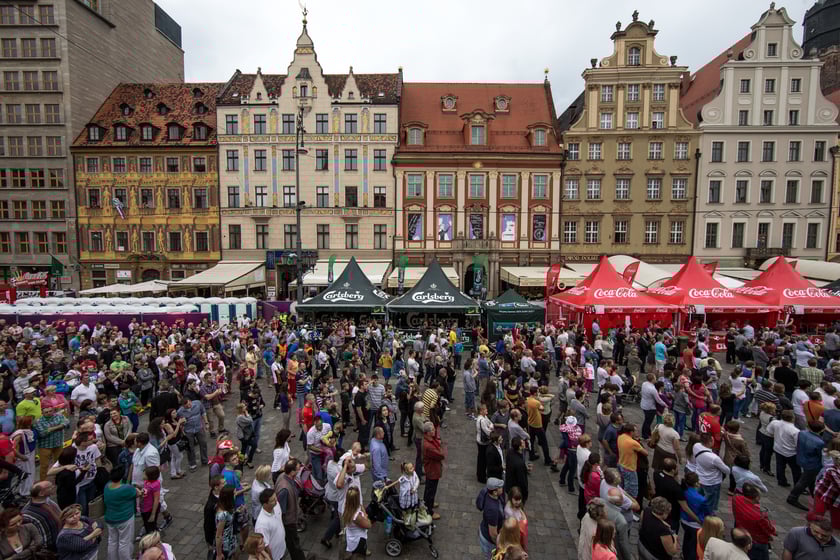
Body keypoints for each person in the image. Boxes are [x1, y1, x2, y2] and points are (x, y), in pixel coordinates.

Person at [787, 420, 826, 510]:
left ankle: (814, 495)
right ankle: (793, 497)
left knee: (810, 480)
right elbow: (820, 456)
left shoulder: (802, 433)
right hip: (812, 464)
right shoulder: (820, 442)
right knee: (803, 481)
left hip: (802, 458)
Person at [103, 466, 139, 560]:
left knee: (112, 541)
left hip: (110, 518)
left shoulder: (107, 486)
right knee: (124, 542)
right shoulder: (126, 488)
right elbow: (137, 493)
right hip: (125, 518)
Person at [732, 483, 776, 560]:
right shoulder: (760, 516)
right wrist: (772, 534)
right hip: (756, 541)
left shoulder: (736, 498)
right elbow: (769, 530)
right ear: (756, 498)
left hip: (741, 532)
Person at [274, 458, 307, 560]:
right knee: (294, 545)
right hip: (289, 522)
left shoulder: (283, 476)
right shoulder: (284, 489)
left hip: (291, 517)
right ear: (292, 472)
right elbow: (281, 511)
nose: (299, 471)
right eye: (297, 469)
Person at [692, 433, 729, 513]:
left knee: (699, 496)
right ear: (709, 442)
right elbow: (726, 470)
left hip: (700, 477)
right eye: (712, 440)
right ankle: (707, 515)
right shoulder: (714, 458)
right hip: (712, 482)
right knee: (710, 502)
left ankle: (697, 510)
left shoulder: (696, 446)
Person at [22, 481, 61, 554]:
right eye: (49, 487)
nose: (53, 487)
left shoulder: (49, 502)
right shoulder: (27, 514)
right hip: (48, 549)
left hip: (59, 542)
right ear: (41, 493)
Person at [33, 406, 68, 481]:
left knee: (59, 463)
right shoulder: (38, 421)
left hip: (58, 444)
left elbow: (66, 422)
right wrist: (60, 426)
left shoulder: (59, 416)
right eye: (46, 412)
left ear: (53, 411)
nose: (49, 413)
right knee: (44, 466)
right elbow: (43, 433)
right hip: (45, 446)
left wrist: (51, 429)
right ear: (42, 413)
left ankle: (59, 480)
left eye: (50, 411)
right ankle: (42, 482)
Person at [766, 409, 800, 487]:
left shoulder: (775, 423)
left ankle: (781, 481)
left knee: (780, 466)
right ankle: (797, 485)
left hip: (778, 448)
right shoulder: (795, 431)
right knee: (796, 470)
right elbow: (797, 444)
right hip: (791, 452)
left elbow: (769, 432)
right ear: (792, 418)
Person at [809, 450, 840, 531]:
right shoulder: (832, 470)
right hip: (822, 494)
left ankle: (832, 538)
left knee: (837, 523)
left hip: (836, 499)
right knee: (818, 516)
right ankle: (810, 526)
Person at [477, 478, 506, 560]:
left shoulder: (489, 492)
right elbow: (493, 534)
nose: (502, 488)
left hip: (484, 528)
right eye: (500, 487)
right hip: (489, 541)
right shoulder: (492, 510)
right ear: (495, 492)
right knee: (491, 557)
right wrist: (499, 546)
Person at [177, 397, 209, 471]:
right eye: (186, 406)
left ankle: (205, 460)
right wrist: (182, 430)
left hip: (199, 428)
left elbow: (203, 412)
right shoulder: (180, 412)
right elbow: (179, 423)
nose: (189, 406)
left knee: (203, 443)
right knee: (190, 448)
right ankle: (192, 464)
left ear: (190, 401)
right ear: (182, 406)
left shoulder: (198, 403)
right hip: (188, 431)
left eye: (189, 404)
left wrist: (206, 423)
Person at [254, 488, 286, 560]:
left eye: (275, 497)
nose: (276, 501)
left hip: (281, 550)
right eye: (273, 500)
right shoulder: (262, 524)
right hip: (275, 557)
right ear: (265, 504)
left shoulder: (276, 505)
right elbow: (265, 546)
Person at [616, 423, 647, 499]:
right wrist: (638, 442)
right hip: (629, 468)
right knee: (631, 492)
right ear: (631, 432)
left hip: (621, 464)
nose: (636, 433)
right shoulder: (633, 443)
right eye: (635, 431)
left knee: (622, 486)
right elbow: (646, 453)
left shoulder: (620, 437)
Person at [422, 421, 444, 521]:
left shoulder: (429, 440)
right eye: (432, 430)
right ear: (427, 432)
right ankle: (429, 510)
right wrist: (441, 448)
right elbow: (441, 455)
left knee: (429, 489)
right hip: (432, 470)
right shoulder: (429, 446)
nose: (434, 431)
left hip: (431, 469)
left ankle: (428, 503)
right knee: (431, 490)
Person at [10, 415, 35, 497]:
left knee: (31, 473)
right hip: (24, 457)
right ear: (28, 424)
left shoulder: (28, 431)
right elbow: (12, 448)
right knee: (25, 474)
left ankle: (28, 489)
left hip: (30, 455)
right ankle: (24, 492)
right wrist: (21, 456)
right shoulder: (20, 434)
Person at [214, 486, 237, 560]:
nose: (235, 494)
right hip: (225, 544)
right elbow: (218, 535)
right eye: (234, 493)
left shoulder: (226, 506)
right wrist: (219, 554)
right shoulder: (223, 514)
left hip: (230, 537)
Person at [504, 436, 528, 503]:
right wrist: (525, 494)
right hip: (516, 490)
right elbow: (522, 481)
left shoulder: (510, 452)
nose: (524, 443)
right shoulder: (519, 464)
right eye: (523, 443)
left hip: (509, 484)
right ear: (520, 447)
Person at [476, 404, 493, 483]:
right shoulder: (481, 420)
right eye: (485, 409)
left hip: (484, 441)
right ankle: (481, 476)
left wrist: (490, 427)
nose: (487, 410)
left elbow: (491, 423)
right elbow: (487, 431)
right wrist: (490, 428)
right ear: (481, 411)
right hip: (482, 442)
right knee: (482, 460)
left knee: (482, 459)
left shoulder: (485, 417)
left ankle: (481, 474)